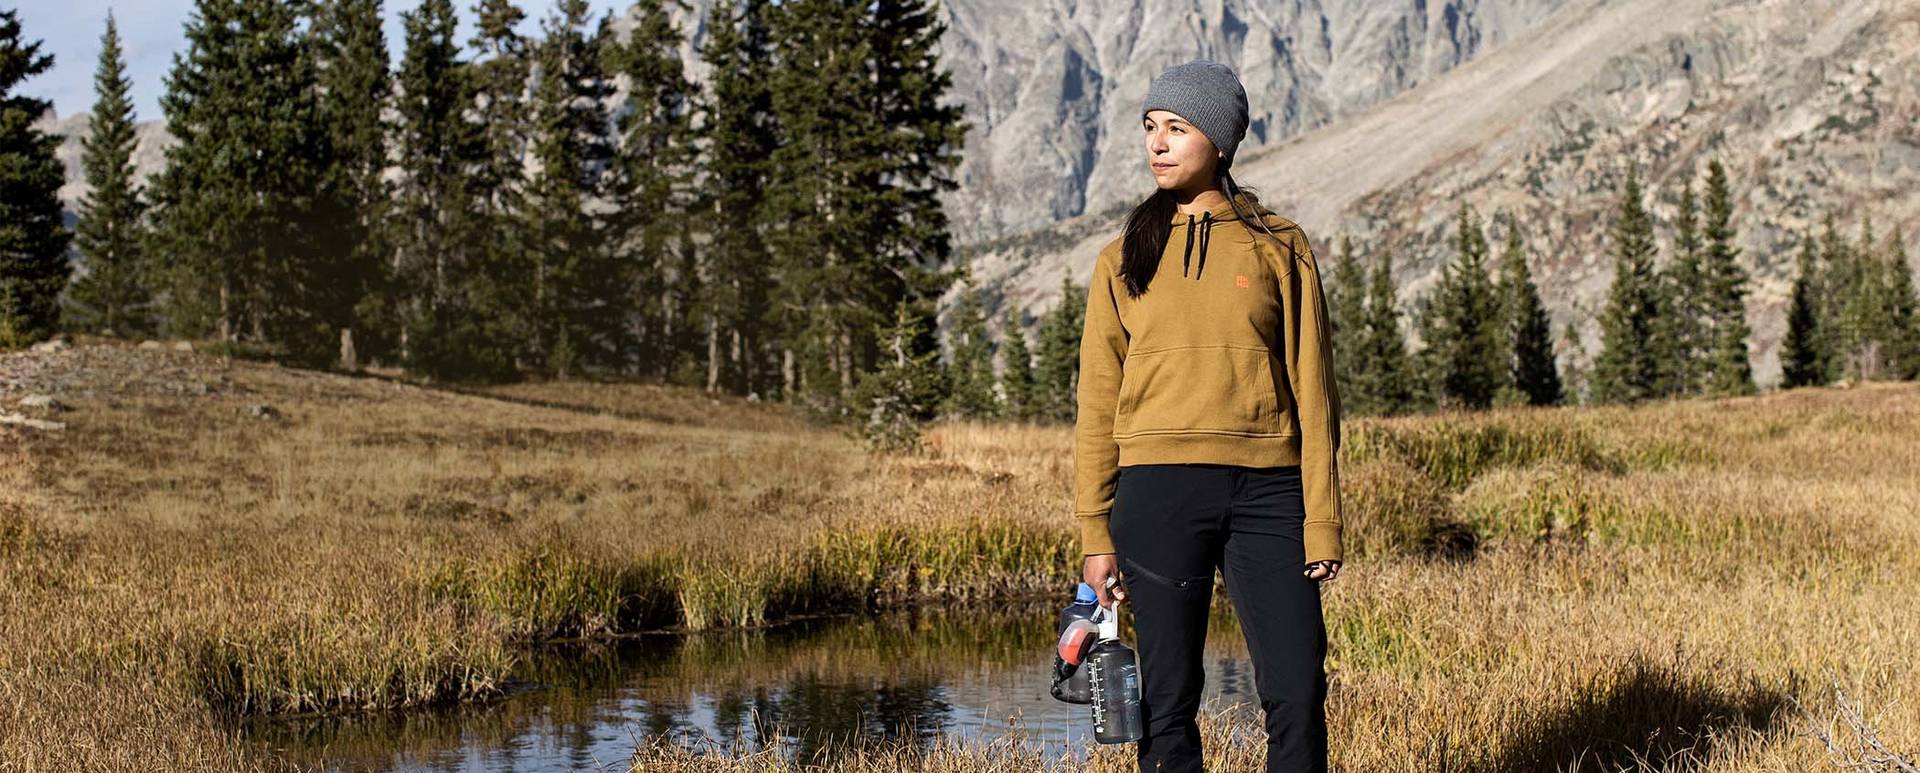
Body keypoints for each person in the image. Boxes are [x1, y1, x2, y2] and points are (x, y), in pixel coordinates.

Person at [1073, 59, 1344, 773]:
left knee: (1295, 690)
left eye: (1177, 128)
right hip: (1156, 492)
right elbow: (1097, 402)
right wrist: (1094, 530)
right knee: (1167, 700)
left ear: (1219, 142)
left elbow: (1313, 389)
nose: (1157, 143)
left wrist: (1322, 518)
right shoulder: (1121, 257)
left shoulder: (1280, 245)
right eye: (1150, 128)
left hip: (1270, 493)